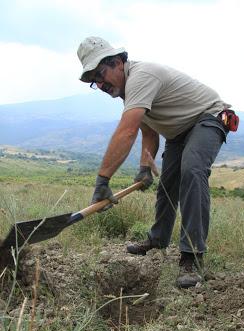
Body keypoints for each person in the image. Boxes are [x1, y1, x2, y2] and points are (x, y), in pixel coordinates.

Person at [77, 36, 234, 288]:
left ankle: (192, 257)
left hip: (209, 118)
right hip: (178, 132)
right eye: (94, 80)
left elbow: (126, 131)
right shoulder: (130, 92)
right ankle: (158, 239)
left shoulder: (141, 76)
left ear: (118, 62)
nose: (100, 83)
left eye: (101, 73)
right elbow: (148, 132)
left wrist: (102, 181)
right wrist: (143, 169)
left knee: (192, 171)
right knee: (168, 183)